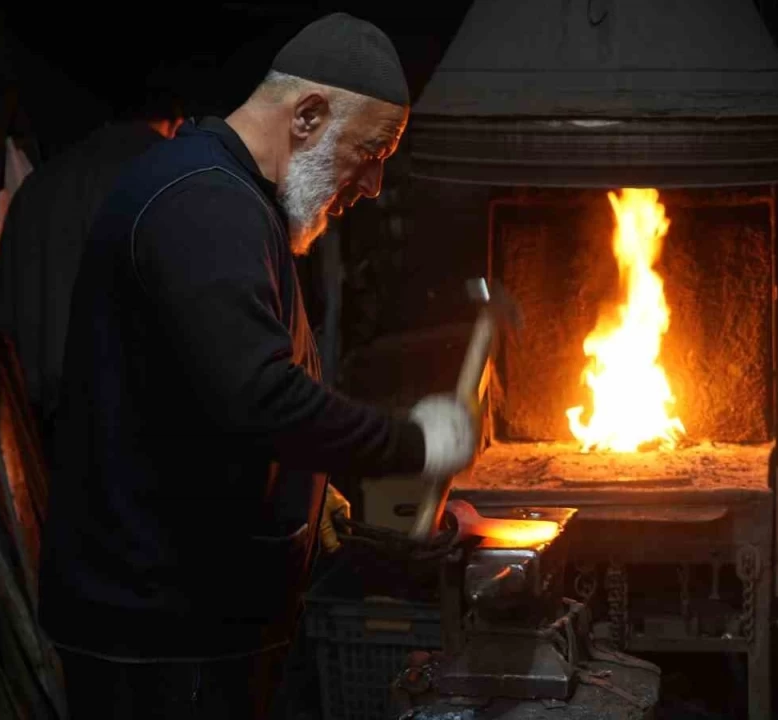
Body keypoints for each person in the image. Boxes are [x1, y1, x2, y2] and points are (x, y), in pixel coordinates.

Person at [37, 13, 478, 719]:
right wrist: (415, 443)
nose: (373, 184)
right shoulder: (202, 202)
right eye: (371, 151)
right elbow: (261, 396)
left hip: (193, 627)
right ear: (307, 116)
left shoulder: (230, 198)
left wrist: (310, 491)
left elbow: (205, 394)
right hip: (163, 639)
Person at [0, 86, 184, 452]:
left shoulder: (37, 188)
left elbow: (4, 311)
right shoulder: (174, 177)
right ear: (176, 124)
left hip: (45, 430)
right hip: (142, 424)